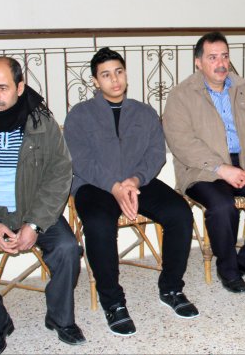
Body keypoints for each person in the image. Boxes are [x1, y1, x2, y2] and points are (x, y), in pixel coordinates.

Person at [0, 57, 85, 355]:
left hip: (35, 210)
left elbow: (59, 175)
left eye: (3, 88)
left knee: (67, 249)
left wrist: (34, 224)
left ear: (20, 87)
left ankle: (60, 318)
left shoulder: (42, 123)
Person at [64, 48, 199, 335]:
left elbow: (155, 154)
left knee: (179, 213)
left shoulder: (144, 112)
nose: (114, 80)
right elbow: (80, 160)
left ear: (126, 74)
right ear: (95, 81)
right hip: (95, 185)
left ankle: (171, 288)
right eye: (106, 75)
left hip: (138, 183)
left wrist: (135, 181)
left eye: (119, 72)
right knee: (98, 225)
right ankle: (113, 302)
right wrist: (114, 186)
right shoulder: (80, 115)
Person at [163, 32, 245, 293]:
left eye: (224, 56)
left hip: (243, 160)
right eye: (212, 57)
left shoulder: (241, 88)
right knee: (223, 207)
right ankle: (228, 269)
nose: (221, 63)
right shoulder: (181, 95)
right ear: (198, 62)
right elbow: (181, 142)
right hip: (203, 168)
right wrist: (222, 169)